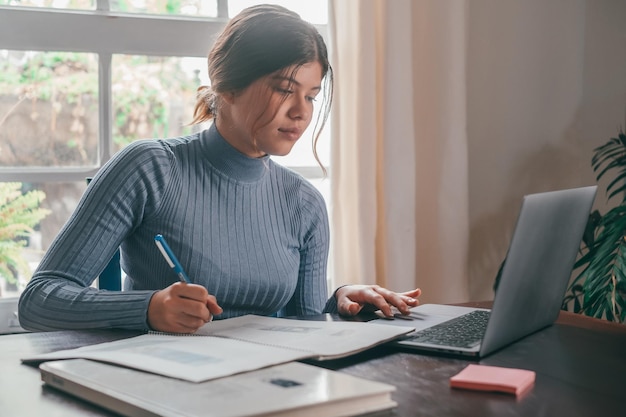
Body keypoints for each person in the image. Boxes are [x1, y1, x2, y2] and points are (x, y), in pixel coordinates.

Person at [18, 4, 421, 334]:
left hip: (269, 393)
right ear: (226, 86)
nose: (301, 112)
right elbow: (39, 300)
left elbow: (305, 327)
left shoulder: (304, 203)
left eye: (311, 96)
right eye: (284, 89)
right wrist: (149, 308)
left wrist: (340, 301)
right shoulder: (150, 168)